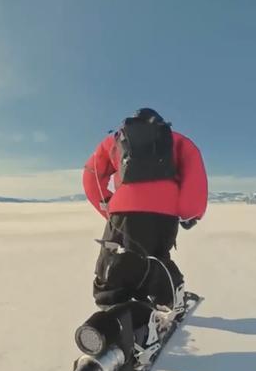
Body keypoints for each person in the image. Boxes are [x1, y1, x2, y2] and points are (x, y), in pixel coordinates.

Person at [82, 108, 207, 315]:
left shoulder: (114, 141)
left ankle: (111, 305)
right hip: (164, 213)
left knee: (115, 255)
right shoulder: (179, 141)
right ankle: (169, 297)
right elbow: (194, 178)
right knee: (157, 257)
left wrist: (107, 205)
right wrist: (188, 213)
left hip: (123, 210)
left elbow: (91, 175)